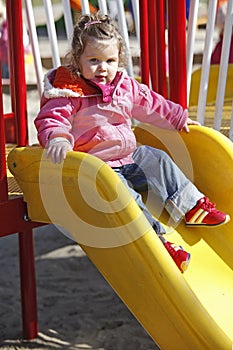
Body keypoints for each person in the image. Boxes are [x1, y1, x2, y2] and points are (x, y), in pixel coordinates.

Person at [35, 12, 230, 273]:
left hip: (128, 157)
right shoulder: (69, 91)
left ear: (119, 60)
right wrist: (57, 137)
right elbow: (51, 118)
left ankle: (191, 206)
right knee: (126, 196)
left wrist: (178, 117)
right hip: (97, 169)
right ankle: (157, 242)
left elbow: (151, 104)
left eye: (110, 60)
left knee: (157, 158)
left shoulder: (123, 86)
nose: (102, 68)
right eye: (93, 60)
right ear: (77, 59)